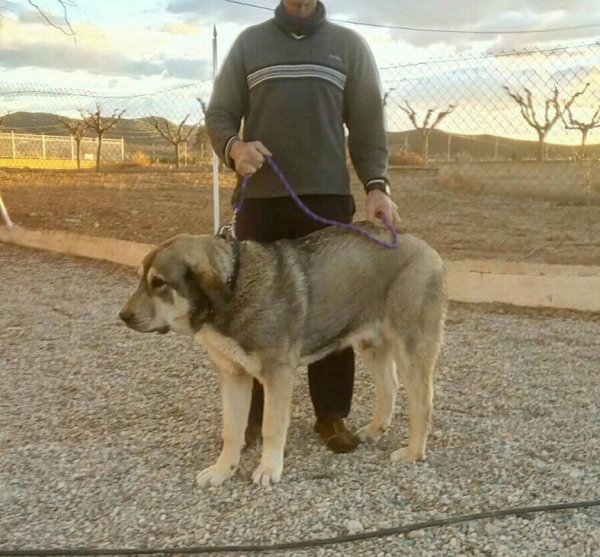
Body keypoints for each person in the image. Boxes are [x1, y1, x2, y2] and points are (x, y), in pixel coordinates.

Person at [206, 0, 401, 454]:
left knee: (332, 306)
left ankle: (330, 414)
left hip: (326, 199)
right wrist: (233, 147)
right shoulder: (249, 44)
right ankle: (254, 418)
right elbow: (219, 113)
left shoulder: (348, 47)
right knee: (253, 309)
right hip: (261, 198)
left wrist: (377, 185)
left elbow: (369, 123)